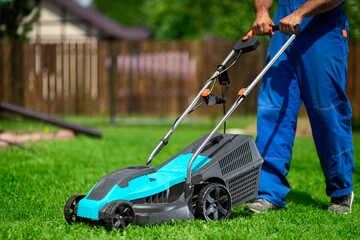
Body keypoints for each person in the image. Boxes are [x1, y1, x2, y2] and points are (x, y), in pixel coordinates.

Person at [244, 0, 354, 213]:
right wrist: (262, 12)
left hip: (324, 27)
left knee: (327, 111)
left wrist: (300, 13)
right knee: (274, 110)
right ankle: (268, 192)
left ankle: (341, 191)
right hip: (283, 26)